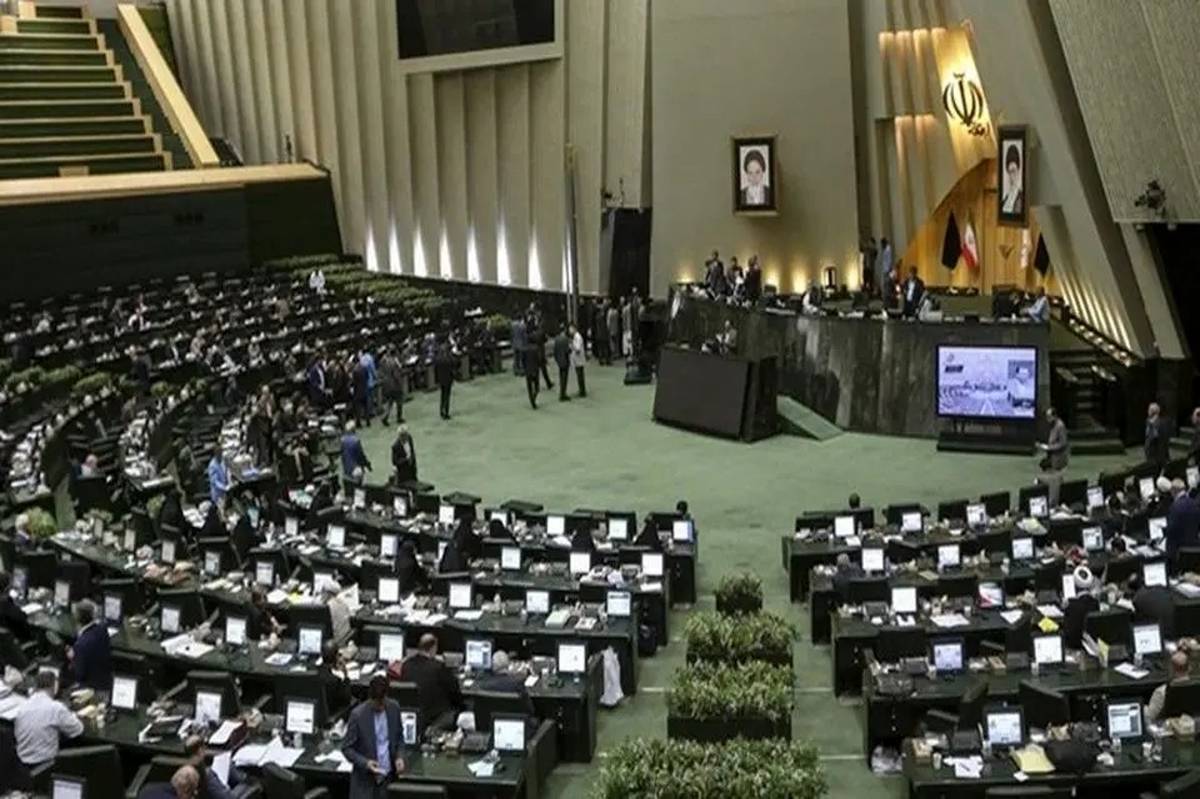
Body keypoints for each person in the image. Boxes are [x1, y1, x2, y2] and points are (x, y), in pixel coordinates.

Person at [342, 675, 409, 799]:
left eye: (383, 702)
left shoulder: (394, 708)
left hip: (388, 779)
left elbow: (399, 737)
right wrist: (366, 763)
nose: (381, 707)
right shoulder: (358, 715)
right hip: (365, 784)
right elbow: (347, 748)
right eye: (377, 703)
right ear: (370, 698)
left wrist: (400, 757)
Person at [15, 670, 83, 772]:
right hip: (45, 766)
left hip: (21, 765)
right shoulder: (55, 708)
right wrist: (72, 716)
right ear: (54, 687)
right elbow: (78, 730)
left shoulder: (22, 706)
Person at [399, 634, 463, 731]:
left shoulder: (406, 665)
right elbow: (455, 693)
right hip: (436, 717)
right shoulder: (439, 667)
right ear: (433, 648)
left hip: (414, 716)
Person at [69, 599, 112, 690]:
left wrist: (73, 658)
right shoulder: (103, 629)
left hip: (89, 686)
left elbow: (79, 674)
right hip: (106, 679)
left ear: (76, 618)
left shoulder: (80, 645)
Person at [1148, 651, 1191, 723]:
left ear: (1171, 669)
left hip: (1168, 726)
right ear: (1189, 668)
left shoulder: (1161, 692)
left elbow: (1150, 717)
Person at [1062, 566, 1099, 650]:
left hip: (1073, 646)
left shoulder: (1071, 605)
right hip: (1090, 645)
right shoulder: (1095, 603)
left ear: (1074, 586)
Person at [1166, 478, 1200, 563]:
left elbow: (1172, 531)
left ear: (1173, 491)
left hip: (1183, 552)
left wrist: (1169, 555)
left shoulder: (1175, 506)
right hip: (1197, 549)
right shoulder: (1196, 503)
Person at [1037, 407, 1070, 472]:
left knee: (1045, 466)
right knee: (1042, 464)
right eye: (1047, 417)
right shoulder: (1052, 425)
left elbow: (1062, 443)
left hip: (1059, 455)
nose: (1047, 419)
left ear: (1054, 416)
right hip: (1052, 454)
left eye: (1049, 417)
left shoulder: (1060, 426)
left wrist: (1049, 447)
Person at [378, 349, 406, 425]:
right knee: (399, 402)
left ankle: (385, 417)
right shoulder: (394, 362)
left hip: (388, 385)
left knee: (390, 403)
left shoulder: (386, 362)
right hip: (395, 385)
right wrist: (400, 383)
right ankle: (399, 417)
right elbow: (396, 375)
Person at [0, 572, 31, 639]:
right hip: (17, 641)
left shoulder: (6, 604)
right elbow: (23, 617)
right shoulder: (7, 607)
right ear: (7, 589)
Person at [434, 339, 456, 420]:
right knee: (447, 396)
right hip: (448, 379)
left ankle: (441, 411)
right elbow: (454, 364)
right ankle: (446, 412)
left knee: (442, 396)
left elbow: (436, 369)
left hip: (441, 379)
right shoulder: (449, 358)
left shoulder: (438, 358)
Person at [1145, 402, 1170, 472]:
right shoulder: (1149, 422)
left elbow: (1162, 440)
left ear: (1152, 411)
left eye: (1149, 409)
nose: (1147, 411)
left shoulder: (1160, 423)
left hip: (1157, 456)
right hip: (1150, 454)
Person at [1001, 141, 1024, 216]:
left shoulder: (1022, 198)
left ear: (1018, 171)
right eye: (1009, 171)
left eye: (1013, 171)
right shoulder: (1004, 200)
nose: (1011, 176)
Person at [552, 326, 571, 402]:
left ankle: (561, 393)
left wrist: (557, 360)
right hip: (565, 361)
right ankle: (563, 394)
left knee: (561, 377)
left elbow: (555, 351)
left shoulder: (556, 339)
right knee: (564, 378)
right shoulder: (565, 339)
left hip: (559, 361)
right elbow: (567, 351)